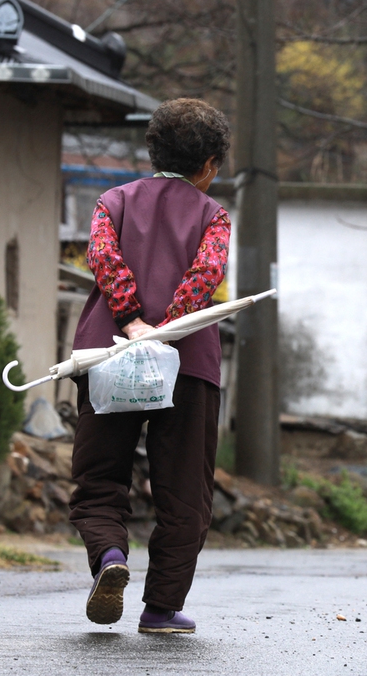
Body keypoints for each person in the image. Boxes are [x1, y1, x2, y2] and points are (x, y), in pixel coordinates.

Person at [68, 98, 231, 634]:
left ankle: (110, 556)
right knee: (185, 491)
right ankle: (161, 607)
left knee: (99, 478)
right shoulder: (214, 215)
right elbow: (205, 275)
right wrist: (168, 325)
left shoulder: (112, 202)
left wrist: (132, 320)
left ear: (152, 148)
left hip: (109, 354)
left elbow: (102, 258)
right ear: (209, 164)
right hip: (187, 363)